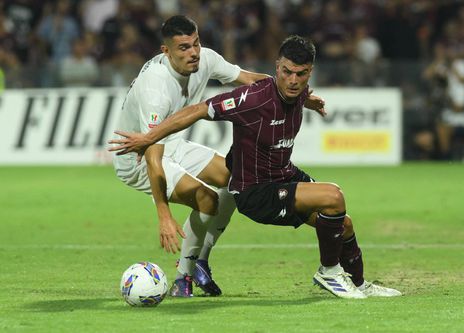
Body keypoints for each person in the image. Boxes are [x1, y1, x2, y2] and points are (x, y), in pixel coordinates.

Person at [109, 35, 402, 299]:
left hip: (283, 176)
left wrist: (308, 100)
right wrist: (149, 137)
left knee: (342, 222)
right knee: (333, 196)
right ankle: (329, 273)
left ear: (309, 73)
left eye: (300, 74)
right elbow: (197, 110)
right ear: (277, 67)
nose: (292, 80)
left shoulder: (299, 90)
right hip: (258, 192)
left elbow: (296, 89)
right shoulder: (251, 99)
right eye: (286, 72)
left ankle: (360, 283)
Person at [111, 15, 272, 297]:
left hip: (172, 142)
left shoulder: (205, 59)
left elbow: (250, 80)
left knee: (236, 179)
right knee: (206, 199)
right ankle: (183, 278)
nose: (193, 53)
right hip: (137, 159)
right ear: (166, 52)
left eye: (195, 43)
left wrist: (294, 93)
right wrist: (163, 214)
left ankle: (200, 262)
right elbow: (152, 156)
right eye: (184, 47)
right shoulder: (156, 88)